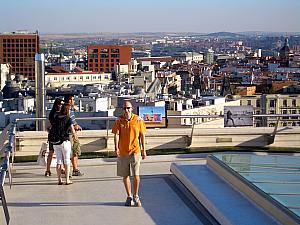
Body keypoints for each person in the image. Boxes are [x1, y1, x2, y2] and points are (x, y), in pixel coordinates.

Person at [112, 101, 146, 207]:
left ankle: (136, 195)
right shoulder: (119, 120)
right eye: (124, 108)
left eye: (128, 108)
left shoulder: (138, 120)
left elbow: (142, 135)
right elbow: (116, 134)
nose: (126, 110)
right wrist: (116, 147)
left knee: (136, 175)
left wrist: (144, 149)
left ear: (132, 109)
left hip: (135, 151)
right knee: (125, 175)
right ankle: (129, 196)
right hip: (123, 152)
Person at [52, 103, 75, 185]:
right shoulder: (68, 119)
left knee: (58, 161)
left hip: (56, 141)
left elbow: (49, 127)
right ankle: (67, 179)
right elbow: (73, 131)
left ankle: (59, 180)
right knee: (66, 160)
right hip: (65, 141)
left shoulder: (56, 118)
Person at [64, 95, 84, 176]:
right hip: (69, 134)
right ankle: (69, 170)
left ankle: (75, 169)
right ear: (68, 101)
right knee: (70, 152)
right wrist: (74, 127)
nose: (73, 101)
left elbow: (72, 121)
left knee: (75, 151)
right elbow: (67, 122)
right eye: (72, 100)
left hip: (73, 133)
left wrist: (76, 125)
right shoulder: (66, 110)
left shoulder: (71, 109)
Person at [45, 98, 63, 177]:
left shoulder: (52, 113)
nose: (60, 106)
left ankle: (48, 169)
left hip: (52, 135)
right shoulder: (59, 114)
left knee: (51, 153)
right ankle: (59, 168)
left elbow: (48, 127)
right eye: (59, 104)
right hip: (58, 136)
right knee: (57, 153)